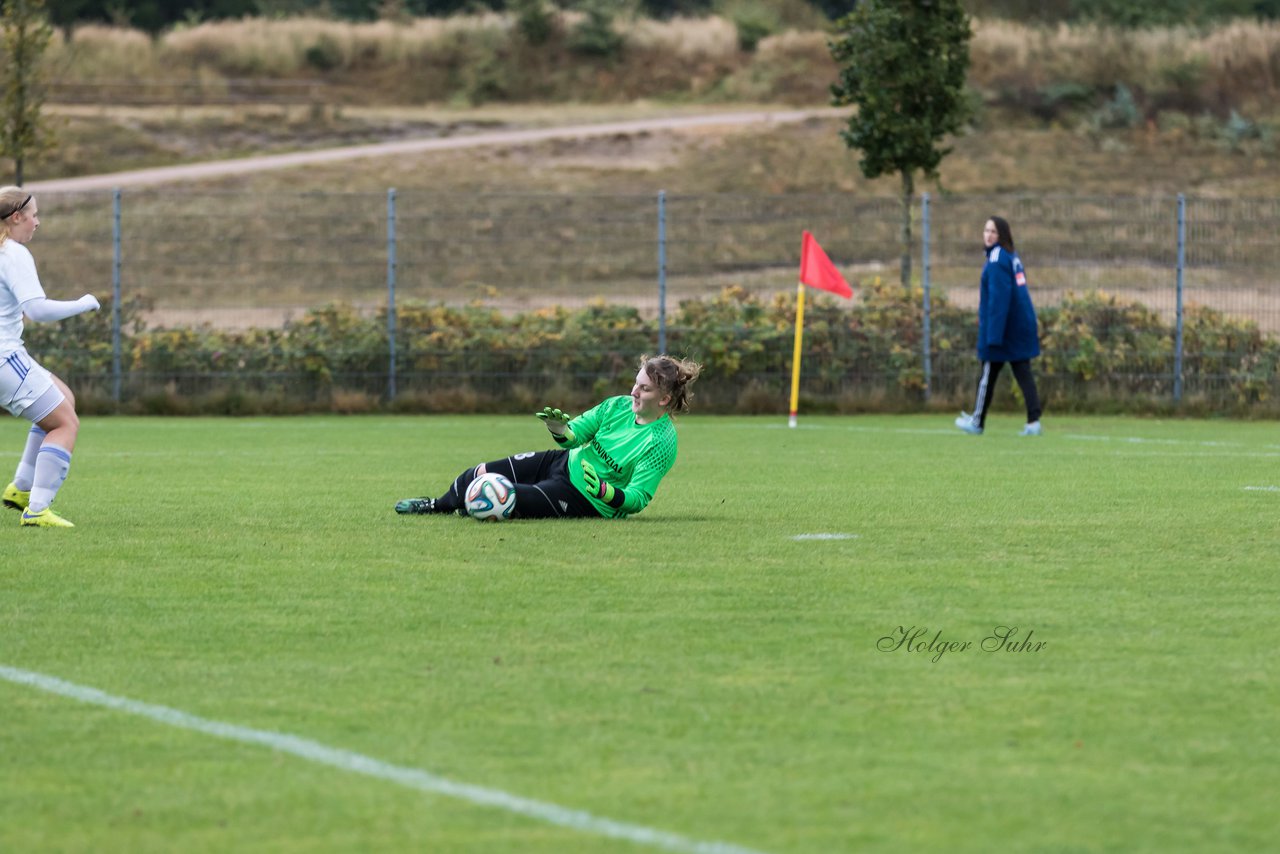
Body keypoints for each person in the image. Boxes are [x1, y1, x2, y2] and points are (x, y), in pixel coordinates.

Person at [395, 354, 702, 520]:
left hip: (586, 500)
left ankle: (468, 506)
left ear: (663, 399)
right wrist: (560, 431)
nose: (634, 392)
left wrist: (605, 491)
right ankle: (436, 505)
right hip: (561, 463)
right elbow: (574, 435)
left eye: (644, 389)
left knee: (504, 495)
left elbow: (637, 499)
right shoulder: (616, 406)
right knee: (478, 474)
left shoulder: (662, 442)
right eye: (636, 383)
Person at [0, 187, 101, 527]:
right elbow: (37, 310)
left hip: (8, 356)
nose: (37, 223)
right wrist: (83, 303)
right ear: (16, 218)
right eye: (33, 216)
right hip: (3, 358)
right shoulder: (11, 252)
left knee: (64, 399)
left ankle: (21, 489)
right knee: (64, 423)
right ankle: (37, 509)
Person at [955, 215, 1043, 437]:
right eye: (986, 230)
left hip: (1005, 329)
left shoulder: (996, 260)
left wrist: (992, 335)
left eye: (993, 231)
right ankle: (1033, 422)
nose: (988, 235)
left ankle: (977, 422)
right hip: (1018, 326)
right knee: (1022, 373)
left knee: (988, 374)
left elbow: (999, 299)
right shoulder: (1009, 256)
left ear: (1002, 235)